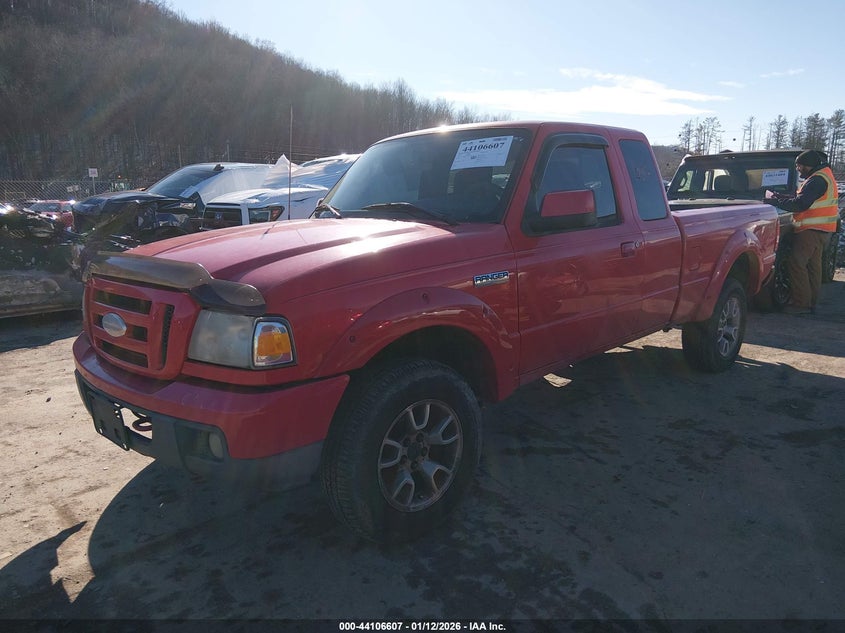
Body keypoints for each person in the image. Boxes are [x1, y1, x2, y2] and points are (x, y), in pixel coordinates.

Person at [768, 150, 840, 315]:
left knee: (796, 263)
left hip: (810, 230)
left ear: (808, 165)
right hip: (822, 230)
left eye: (799, 165)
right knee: (813, 267)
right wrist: (780, 196)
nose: (798, 169)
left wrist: (775, 202)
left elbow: (801, 204)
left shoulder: (817, 180)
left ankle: (801, 305)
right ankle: (811, 302)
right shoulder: (824, 176)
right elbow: (804, 198)